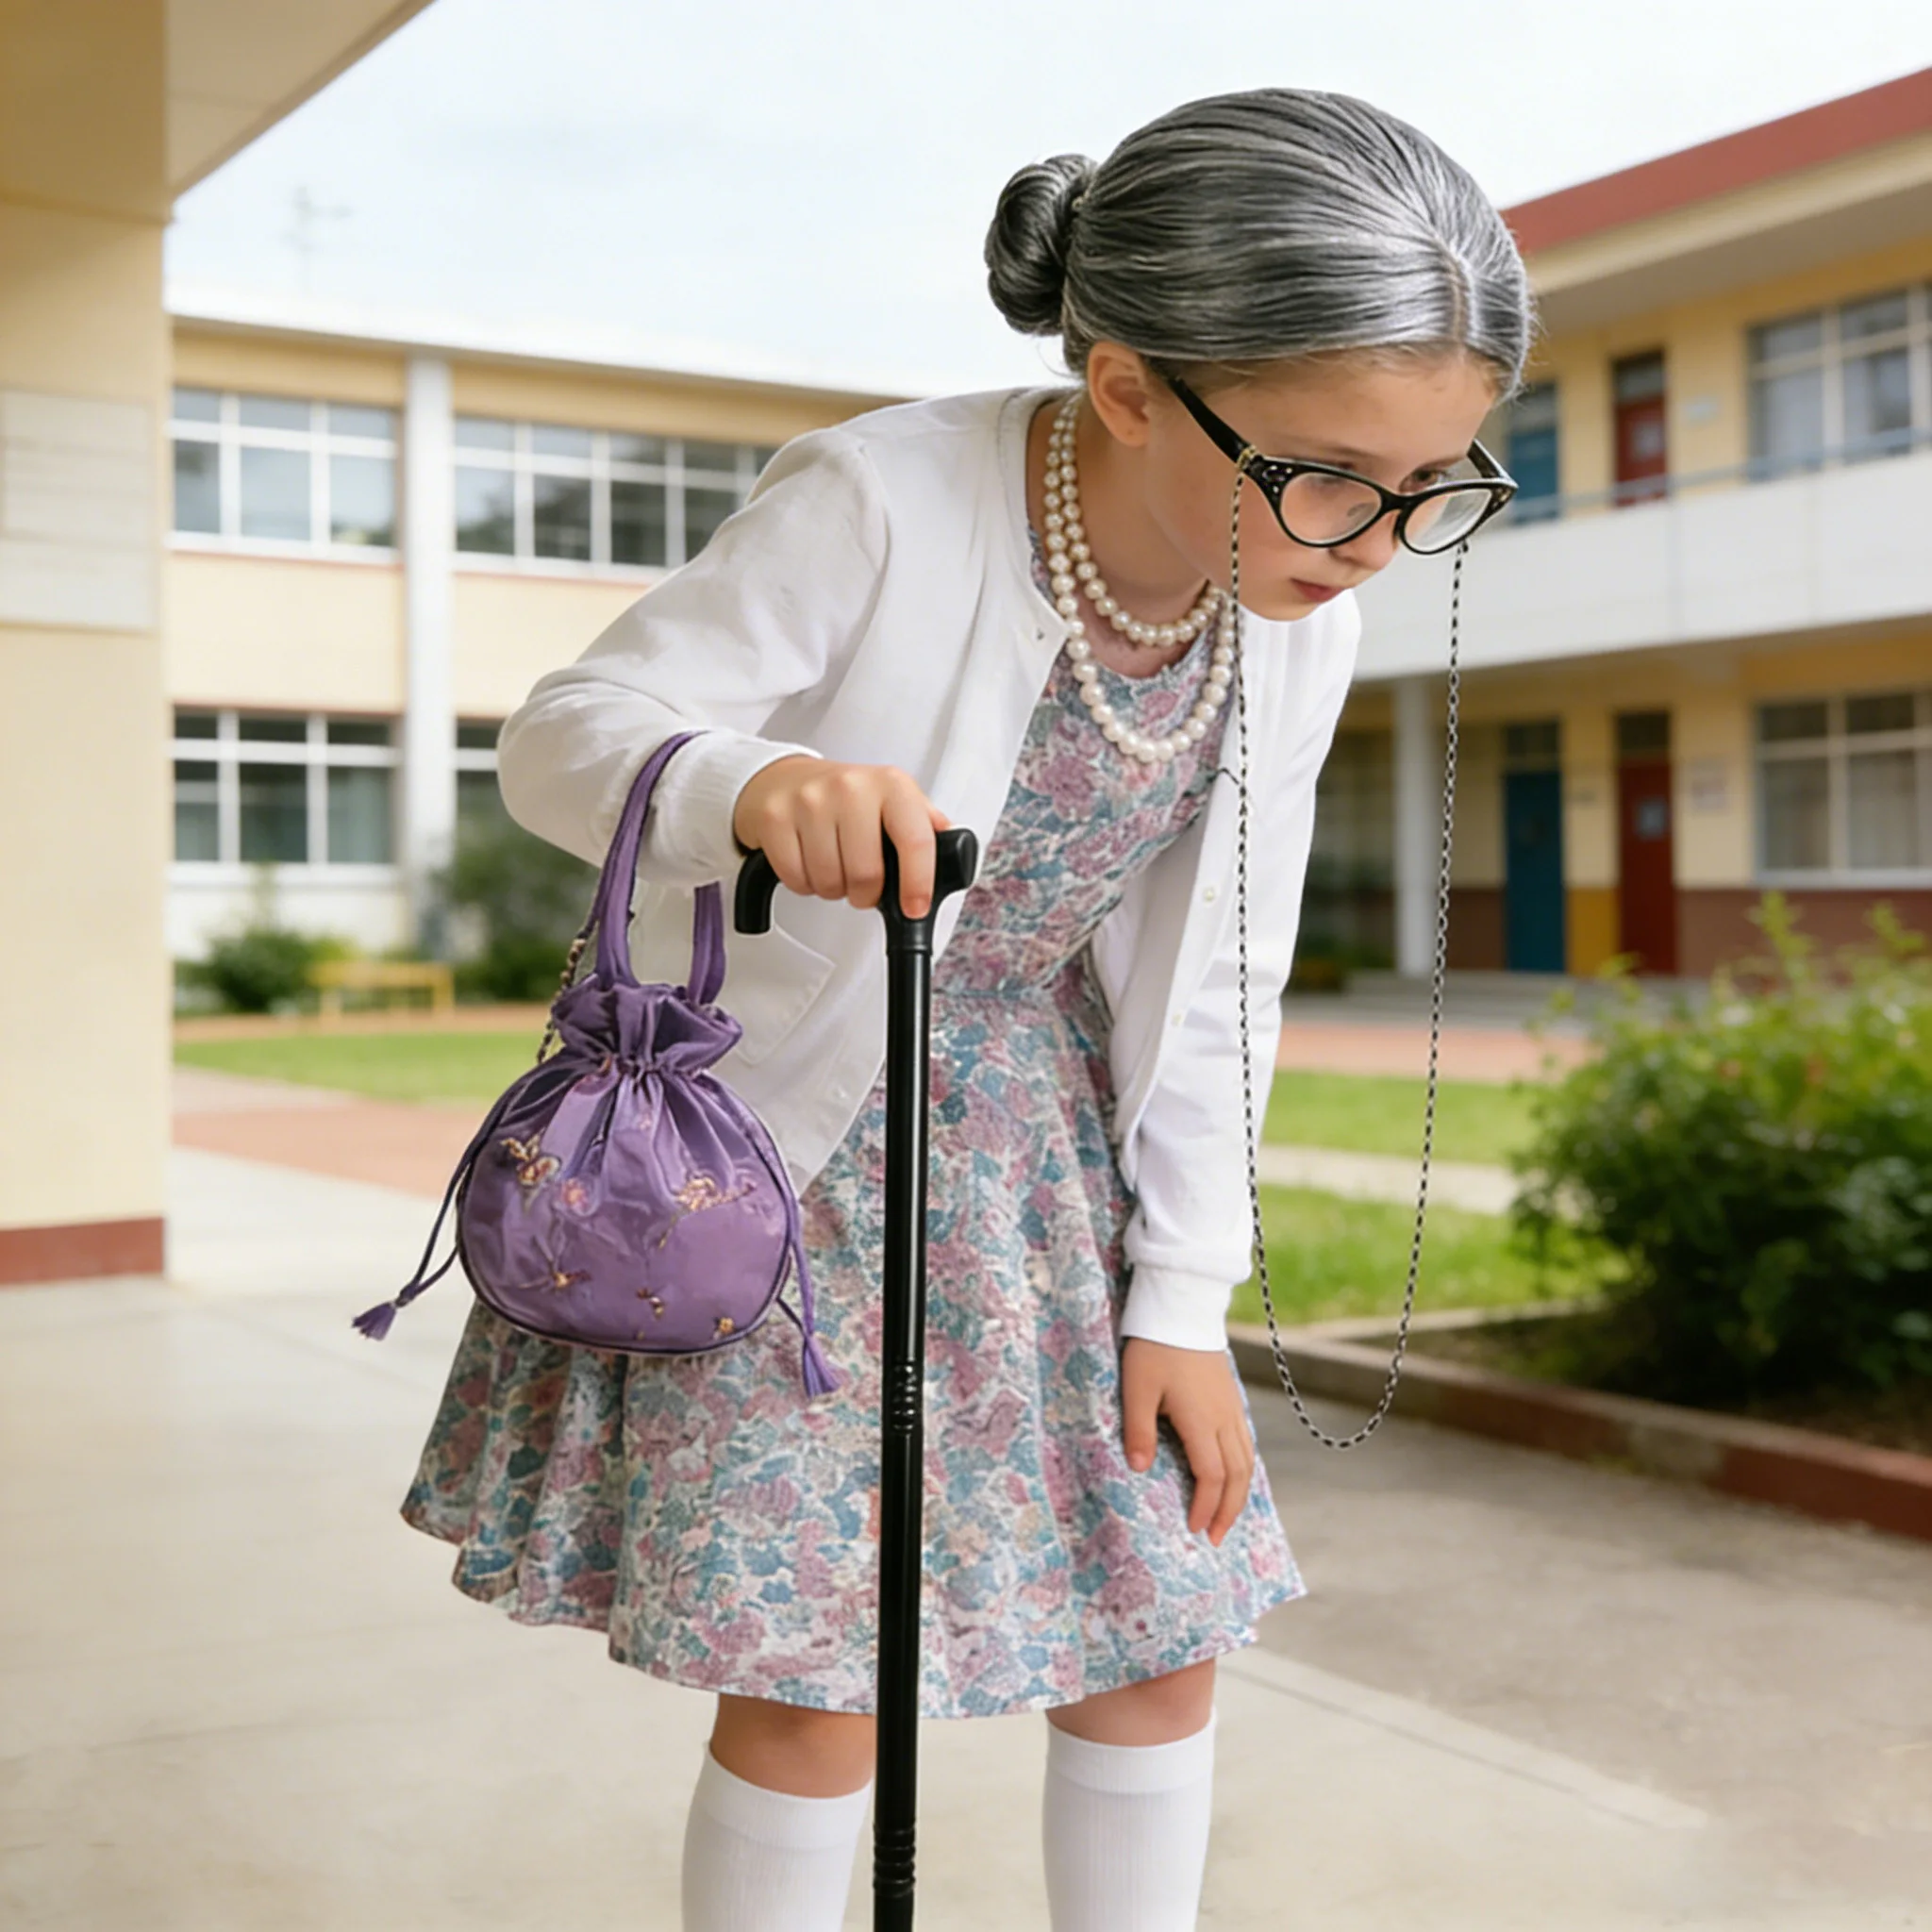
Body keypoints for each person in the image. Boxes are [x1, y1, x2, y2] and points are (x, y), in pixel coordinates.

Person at [398, 85, 1531, 1932]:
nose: (1371, 540)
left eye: (1431, 489)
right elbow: (564, 740)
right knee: (821, 1675)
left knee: (1165, 1627)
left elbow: (1225, 952)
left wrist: (1181, 1301)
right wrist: (748, 785)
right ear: (1129, 386)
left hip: (1050, 1152)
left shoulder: (1298, 600)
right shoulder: (880, 496)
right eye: (1327, 473)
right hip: (796, 1146)